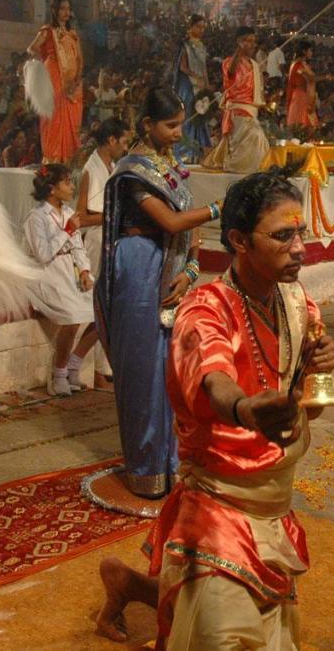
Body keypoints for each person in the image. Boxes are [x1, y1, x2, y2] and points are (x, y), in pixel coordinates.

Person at [95, 167, 334, 648]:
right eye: (283, 235)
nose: (300, 248)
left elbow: (309, 408)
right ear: (238, 240)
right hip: (218, 509)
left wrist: (320, 366)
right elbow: (213, 380)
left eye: (302, 233)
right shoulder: (204, 308)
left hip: (274, 507)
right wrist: (245, 409)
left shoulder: (298, 302)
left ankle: (130, 585)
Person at [96, 88, 224, 498]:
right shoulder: (133, 171)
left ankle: (172, 463)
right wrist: (220, 207)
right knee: (142, 372)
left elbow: (189, 232)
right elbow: (171, 222)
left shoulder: (167, 164)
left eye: (180, 125)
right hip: (138, 270)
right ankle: (146, 467)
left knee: (171, 371)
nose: (177, 133)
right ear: (147, 124)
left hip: (167, 268)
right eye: (170, 125)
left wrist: (189, 271)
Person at [24, 164, 101, 395]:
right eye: (67, 182)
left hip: (70, 271)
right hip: (46, 274)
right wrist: (67, 231)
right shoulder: (36, 217)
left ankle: (73, 366)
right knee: (71, 317)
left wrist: (85, 271)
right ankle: (58, 374)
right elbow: (43, 254)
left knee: (103, 313)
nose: (72, 187)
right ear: (51, 189)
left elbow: (78, 248)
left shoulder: (68, 213)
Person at [76, 118, 131, 389]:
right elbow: (82, 216)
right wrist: (115, 217)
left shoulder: (110, 165)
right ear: (111, 140)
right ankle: (94, 372)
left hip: (110, 238)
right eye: (122, 141)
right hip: (97, 241)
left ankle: (103, 370)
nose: (125, 147)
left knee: (109, 305)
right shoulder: (91, 168)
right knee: (100, 305)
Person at [201, 27, 269, 174]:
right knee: (256, 136)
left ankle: (251, 172)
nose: (253, 44)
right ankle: (238, 170)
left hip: (251, 111)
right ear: (240, 42)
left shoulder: (254, 65)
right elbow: (231, 72)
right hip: (238, 109)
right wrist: (239, 50)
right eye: (249, 41)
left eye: (254, 41)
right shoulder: (229, 62)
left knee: (260, 141)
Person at [27, 0, 85, 164]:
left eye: (68, 8)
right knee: (54, 117)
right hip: (54, 76)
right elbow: (32, 48)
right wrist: (48, 60)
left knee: (71, 119)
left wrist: (76, 79)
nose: (66, 12)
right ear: (54, 10)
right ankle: (53, 159)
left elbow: (80, 59)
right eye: (62, 8)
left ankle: (68, 159)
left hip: (72, 80)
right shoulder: (47, 31)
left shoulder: (72, 34)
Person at [175, 14, 211, 156]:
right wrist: (196, 77)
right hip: (188, 85)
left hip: (200, 85)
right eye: (198, 26)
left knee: (201, 114)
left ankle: (200, 150)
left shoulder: (202, 46)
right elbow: (182, 67)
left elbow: (204, 68)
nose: (201, 30)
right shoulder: (185, 45)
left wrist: (207, 85)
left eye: (203, 27)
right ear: (190, 28)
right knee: (189, 114)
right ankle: (186, 151)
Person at [285, 41, 333, 130]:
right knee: (301, 124)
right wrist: (325, 77)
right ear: (304, 51)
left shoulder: (305, 65)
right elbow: (310, 78)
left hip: (306, 95)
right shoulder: (297, 65)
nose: (312, 53)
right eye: (310, 50)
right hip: (300, 96)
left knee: (308, 126)